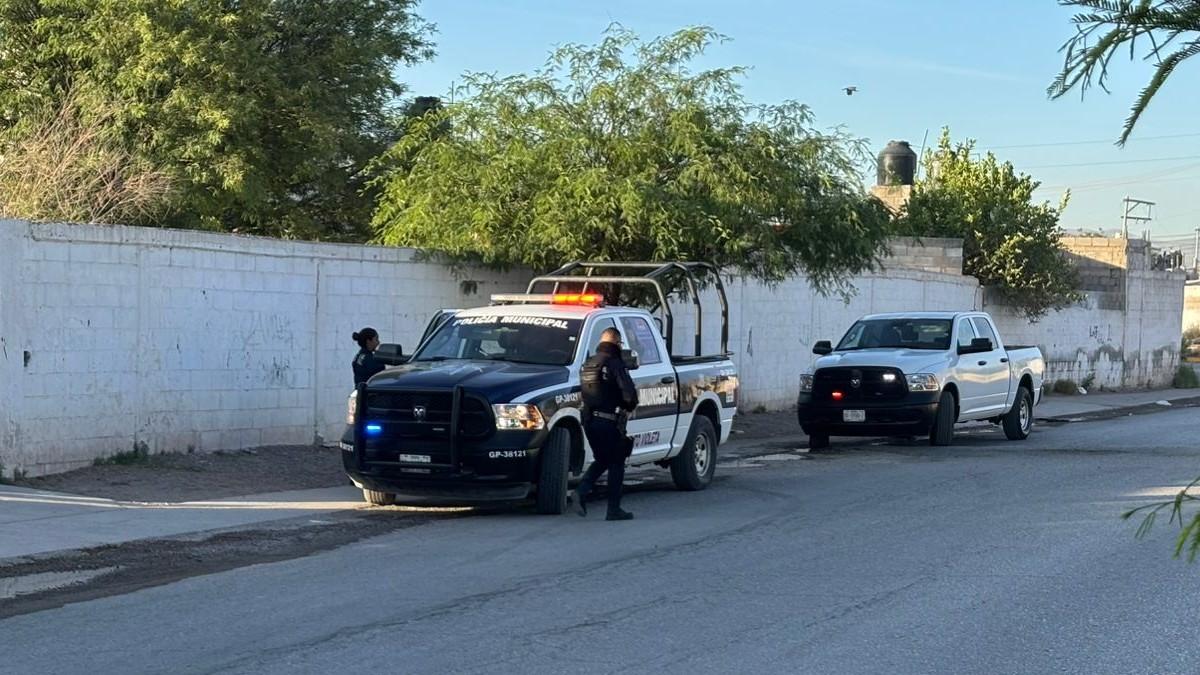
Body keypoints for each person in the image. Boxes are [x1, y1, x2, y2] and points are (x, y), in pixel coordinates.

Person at [572, 327, 639, 521]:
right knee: (617, 463)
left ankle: (581, 492)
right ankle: (614, 510)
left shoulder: (588, 363)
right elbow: (628, 393)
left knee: (602, 459)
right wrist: (630, 405)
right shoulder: (615, 363)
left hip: (589, 422)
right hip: (609, 421)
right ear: (617, 343)